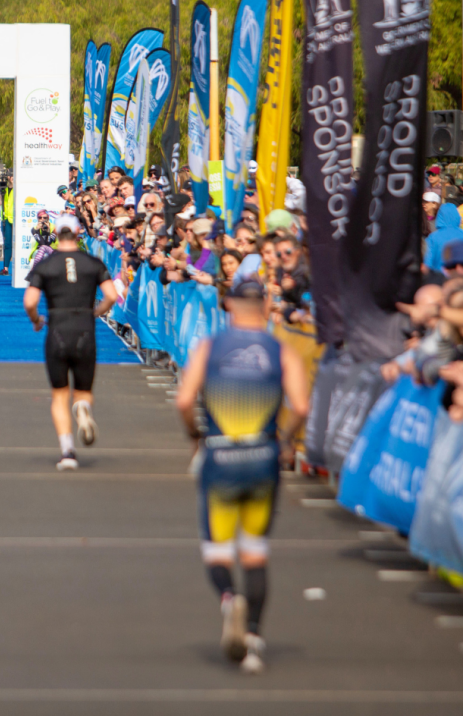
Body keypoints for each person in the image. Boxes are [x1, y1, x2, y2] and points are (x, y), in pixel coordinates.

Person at [175, 279, 309, 673]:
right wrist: (284, 439)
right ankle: (251, 639)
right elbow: (300, 405)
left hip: (220, 453)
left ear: (229, 304)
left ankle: (230, 600)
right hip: (263, 452)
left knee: (217, 549)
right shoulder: (280, 351)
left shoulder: (209, 347)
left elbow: (184, 400)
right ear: (266, 305)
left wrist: (195, 435)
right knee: (254, 552)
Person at [23, 214, 118, 470]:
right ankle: (83, 407)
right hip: (85, 329)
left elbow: (30, 301)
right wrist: (95, 312)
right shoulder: (93, 262)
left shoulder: (46, 264)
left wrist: (36, 320)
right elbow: (111, 295)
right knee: (83, 391)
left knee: (59, 394)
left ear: (56, 232)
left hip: (57, 329)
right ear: (78, 233)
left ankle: (67, 451)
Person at [425, 202, 463, 274]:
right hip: (459, 278)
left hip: (438, 279)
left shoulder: (433, 237)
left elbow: (427, 264)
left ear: (440, 217)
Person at [0, 171, 14, 277]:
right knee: (7, 244)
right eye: (10, 176)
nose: (11, 178)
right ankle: (5, 269)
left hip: (17, 219)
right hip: (6, 219)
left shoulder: (18, 189)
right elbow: (0, 202)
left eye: (13, 175)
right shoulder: (4, 189)